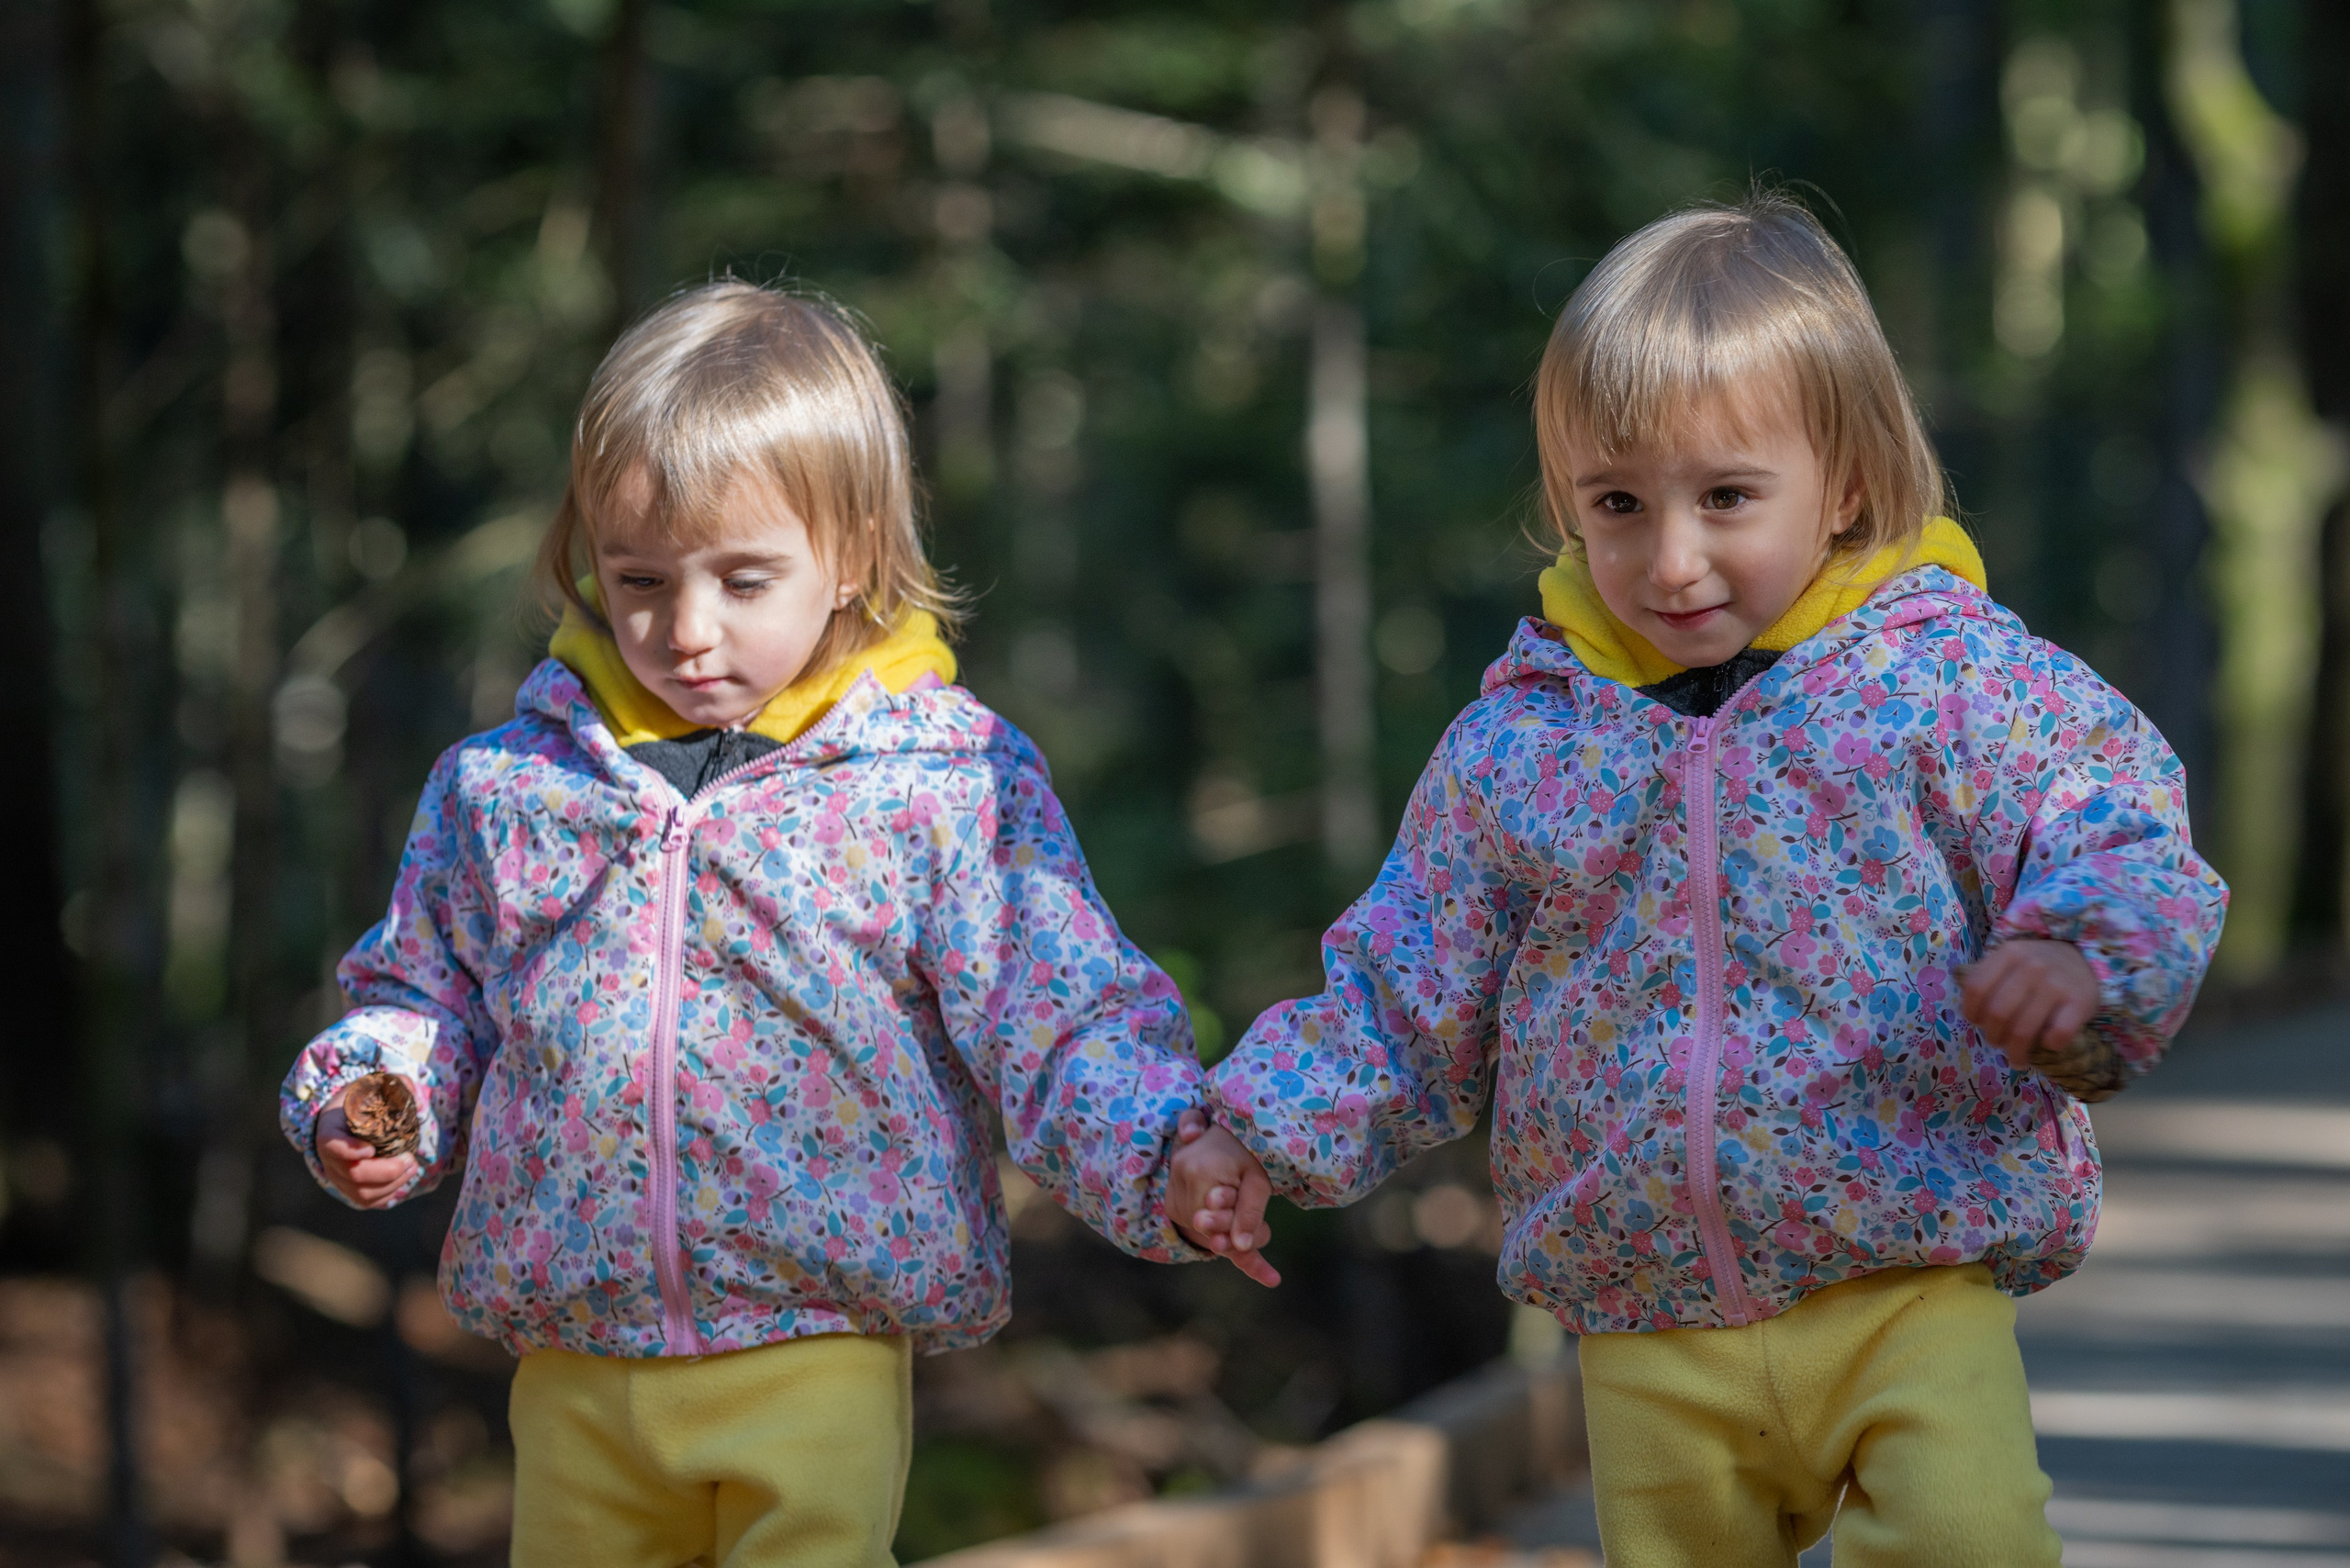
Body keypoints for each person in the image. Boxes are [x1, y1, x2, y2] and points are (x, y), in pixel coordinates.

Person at [1170, 193, 2227, 1567]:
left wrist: (2079, 951)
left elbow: (2120, 825)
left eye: (1727, 497)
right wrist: (1255, 1131)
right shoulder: (1526, 743)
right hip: (1647, 1307)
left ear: (1845, 485)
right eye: (1618, 504)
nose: (1670, 561)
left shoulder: (1955, 687)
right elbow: (1404, 987)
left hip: (1906, 1266)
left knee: (1970, 1540)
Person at [279, 280, 1228, 1568]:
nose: (687, 630)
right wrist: (376, 1093)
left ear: (852, 558)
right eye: (640, 579)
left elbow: (1056, 1012)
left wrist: (1166, 1146)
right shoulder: (507, 788)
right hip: (574, 1358)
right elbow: (425, 997)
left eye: (743, 579)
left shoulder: (941, 783)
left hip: (818, 1340)